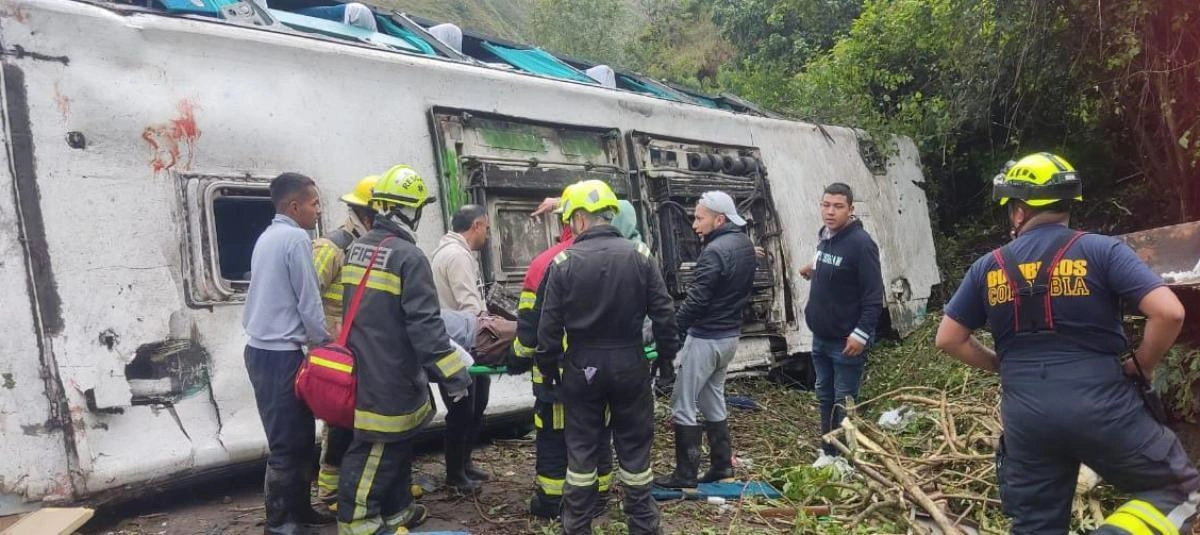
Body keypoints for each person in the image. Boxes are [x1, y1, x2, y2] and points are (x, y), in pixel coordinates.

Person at [935, 152, 1198, 534]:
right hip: (1102, 408)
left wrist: (1001, 364)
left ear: (1020, 211)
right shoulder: (1102, 250)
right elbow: (1169, 313)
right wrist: (1143, 364)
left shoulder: (987, 267)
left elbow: (948, 338)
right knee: (1180, 491)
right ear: (1066, 205)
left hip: (1025, 419)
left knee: (1035, 525)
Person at [537, 179, 679, 535]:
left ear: (581, 218)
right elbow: (664, 315)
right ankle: (643, 526)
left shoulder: (564, 262)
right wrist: (665, 361)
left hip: (581, 367)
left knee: (582, 452)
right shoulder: (641, 255)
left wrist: (548, 368)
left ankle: (577, 527)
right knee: (634, 451)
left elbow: (548, 327)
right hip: (630, 363)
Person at [336, 164, 473, 534]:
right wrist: (454, 374)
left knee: (395, 446)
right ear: (412, 210)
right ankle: (358, 523)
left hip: (364, 367)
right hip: (391, 374)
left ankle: (397, 512)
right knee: (375, 451)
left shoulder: (359, 248)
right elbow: (426, 327)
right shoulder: (409, 258)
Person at [510, 184, 616, 520]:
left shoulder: (544, 263)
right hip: (605, 370)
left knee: (555, 438)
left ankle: (552, 503)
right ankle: (599, 498)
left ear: (568, 221)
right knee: (599, 433)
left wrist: (517, 357)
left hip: (556, 372)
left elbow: (530, 328)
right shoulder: (622, 256)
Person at [241, 172, 334, 534]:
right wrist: (324, 344)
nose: (317, 210)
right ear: (293, 206)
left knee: (298, 437)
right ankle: (280, 523)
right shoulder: (296, 238)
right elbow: (308, 299)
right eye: (313, 203)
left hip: (266, 351)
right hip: (278, 353)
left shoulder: (268, 236)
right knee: (286, 442)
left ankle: (300, 512)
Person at [655, 191, 756, 489]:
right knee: (712, 397)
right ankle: (722, 466)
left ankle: (685, 474)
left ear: (719, 219)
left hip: (706, 338)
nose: (695, 224)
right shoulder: (745, 245)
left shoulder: (713, 253)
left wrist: (673, 332)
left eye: (700, 218)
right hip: (729, 338)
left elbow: (697, 301)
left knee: (682, 402)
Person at [798, 182, 883, 467]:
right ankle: (827, 450)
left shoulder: (861, 244)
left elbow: (873, 296)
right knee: (824, 395)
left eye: (838, 206)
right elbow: (835, 267)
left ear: (851, 209)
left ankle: (846, 459)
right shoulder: (826, 237)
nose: (830, 211)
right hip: (820, 336)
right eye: (825, 205)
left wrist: (861, 334)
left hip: (845, 341)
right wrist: (812, 269)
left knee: (843, 400)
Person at [311, 174, 379, 506]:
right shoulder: (332, 246)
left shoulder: (370, 244)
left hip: (362, 348)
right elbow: (308, 299)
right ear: (367, 214)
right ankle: (330, 490)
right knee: (339, 422)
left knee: (361, 421)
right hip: (336, 352)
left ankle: (356, 486)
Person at [429, 204, 492, 493]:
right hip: (462, 344)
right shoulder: (456, 256)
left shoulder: (450, 252)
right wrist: (492, 331)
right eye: (487, 228)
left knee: (474, 406)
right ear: (476, 225)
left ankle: (464, 464)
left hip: (458, 341)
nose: (487, 235)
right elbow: (469, 305)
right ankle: (456, 473)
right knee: (463, 409)